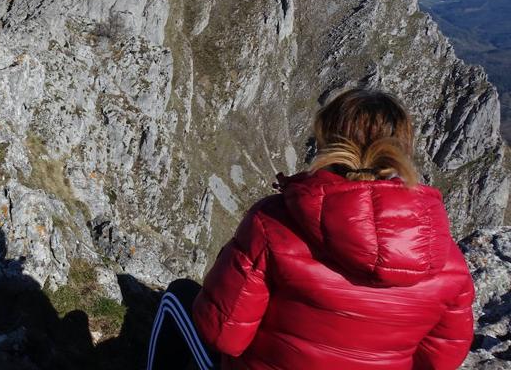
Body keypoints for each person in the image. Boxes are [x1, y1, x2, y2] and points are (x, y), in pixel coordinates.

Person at [148, 88, 475, 370]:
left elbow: (222, 334)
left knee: (176, 297)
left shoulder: (272, 224)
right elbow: (440, 361)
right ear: (402, 152)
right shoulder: (448, 261)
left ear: (326, 143)